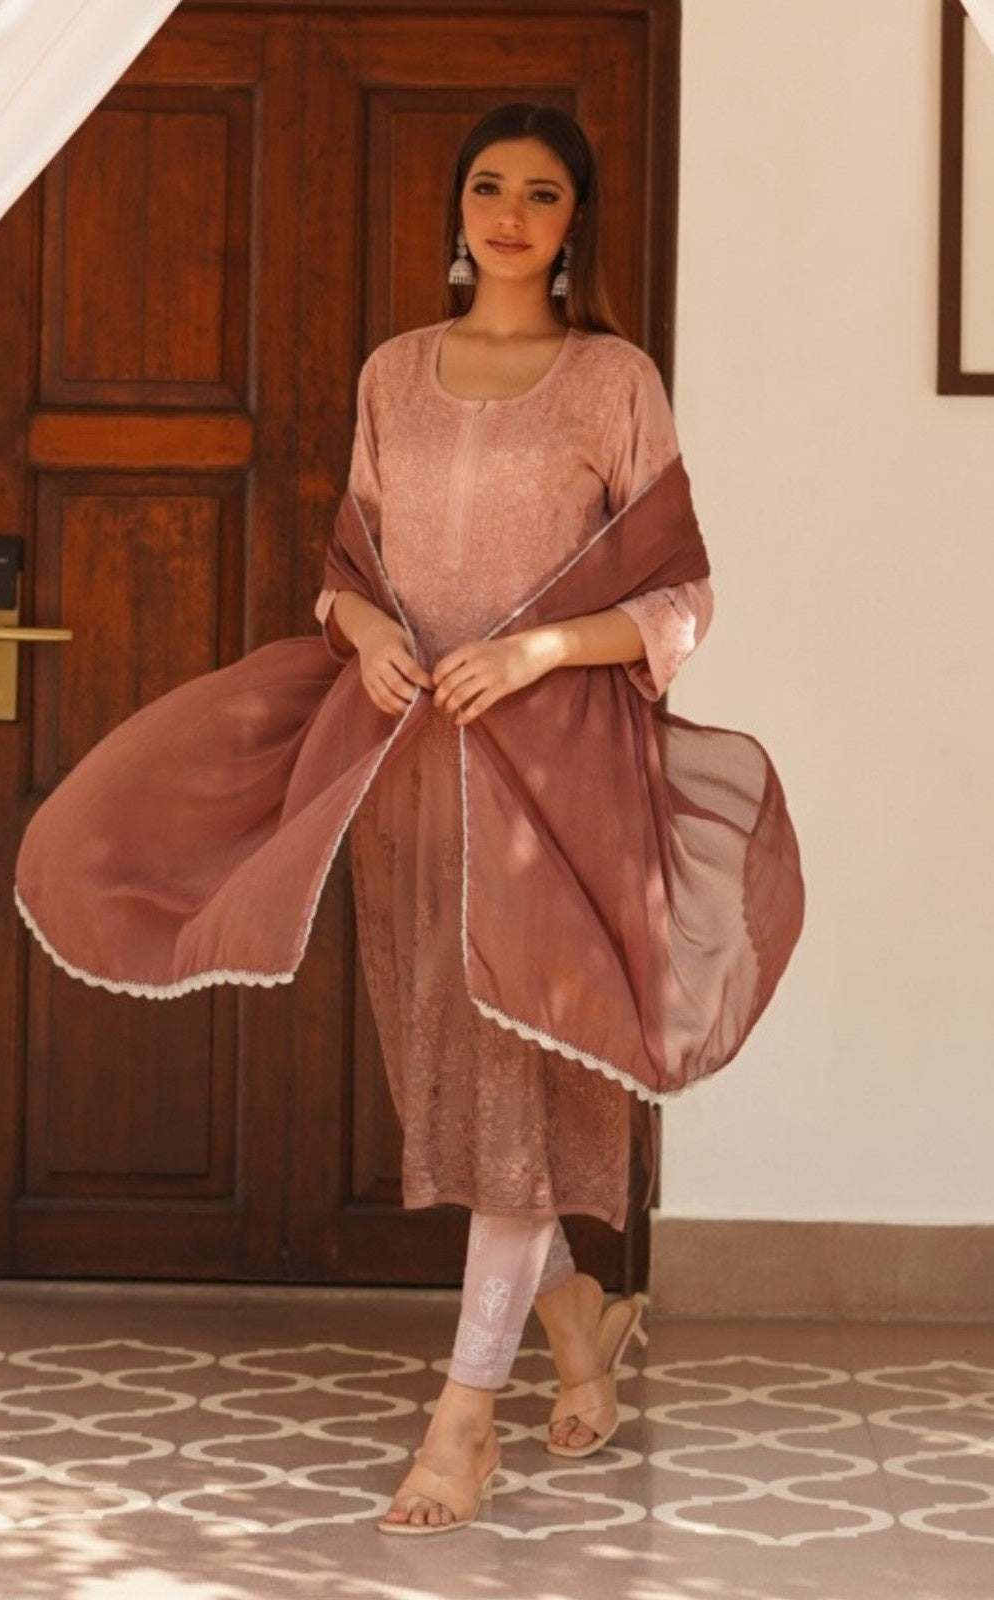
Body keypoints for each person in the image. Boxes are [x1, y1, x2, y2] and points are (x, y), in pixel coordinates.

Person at [313, 103, 715, 1534]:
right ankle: (577, 1321)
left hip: (560, 793)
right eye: (488, 185)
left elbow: (682, 599)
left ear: (573, 224)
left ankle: (459, 1424)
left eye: (541, 194)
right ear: (459, 209)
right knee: (469, 1093)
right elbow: (345, 565)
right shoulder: (390, 375)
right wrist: (365, 630)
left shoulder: (613, 381)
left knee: (522, 1091)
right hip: (414, 783)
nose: (510, 213)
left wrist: (543, 650)